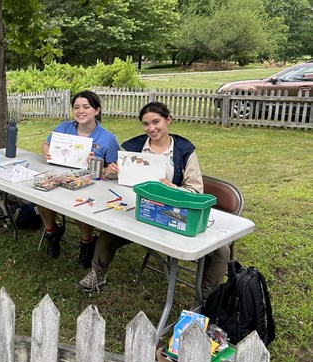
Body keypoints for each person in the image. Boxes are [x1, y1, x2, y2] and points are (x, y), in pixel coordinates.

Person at [77, 101, 229, 300]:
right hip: (142, 209)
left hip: (176, 212)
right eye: (146, 124)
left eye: (156, 122)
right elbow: (122, 179)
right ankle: (98, 274)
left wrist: (173, 189)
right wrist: (111, 171)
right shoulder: (135, 147)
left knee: (220, 251)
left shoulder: (184, 151)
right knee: (108, 235)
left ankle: (207, 299)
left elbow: (196, 191)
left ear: (168, 120)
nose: (151, 128)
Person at [39, 90, 119, 268]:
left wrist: (98, 165)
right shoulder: (64, 128)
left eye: (86, 107)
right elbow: (46, 144)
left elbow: (113, 170)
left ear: (97, 110)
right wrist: (47, 152)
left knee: (80, 207)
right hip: (58, 175)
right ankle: (52, 232)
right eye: (76, 107)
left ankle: (86, 243)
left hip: (88, 186)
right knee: (41, 195)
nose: (80, 111)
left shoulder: (108, 139)